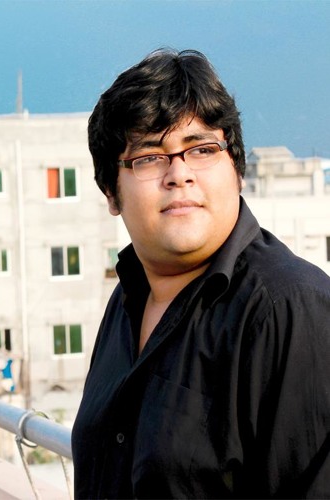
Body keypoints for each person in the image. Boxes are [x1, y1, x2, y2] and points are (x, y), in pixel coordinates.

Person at [71, 48, 330, 499]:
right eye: (149, 156)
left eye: (202, 149)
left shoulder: (289, 309)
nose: (179, 174)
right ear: (111, 192)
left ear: (237, 170)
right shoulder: (127, 299)